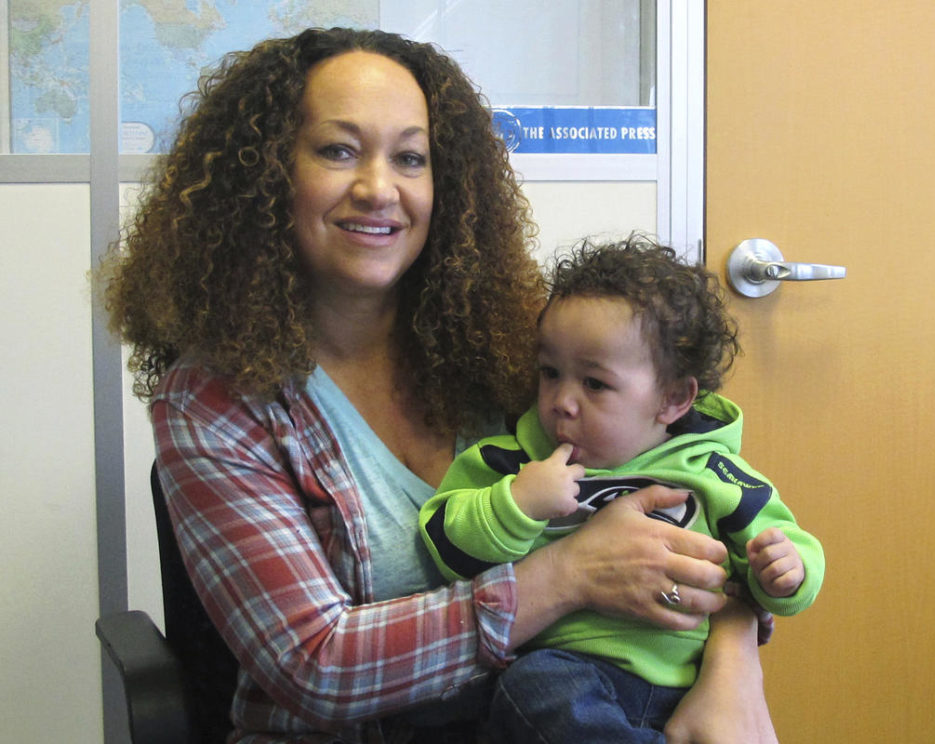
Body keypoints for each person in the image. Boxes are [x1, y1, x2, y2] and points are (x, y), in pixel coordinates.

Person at [103, 26, 777, 744]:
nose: (378, 188)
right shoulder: (213, 397)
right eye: (337, 150)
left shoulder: (519, 352)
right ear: (267, 175)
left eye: (410, 158)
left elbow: (693, 489)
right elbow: (314, 666)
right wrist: (568, 575)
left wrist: (734, 656)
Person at [420, 236, 825, 743]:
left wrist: (786, 573)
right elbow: (443, 542)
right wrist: (515, 506)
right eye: (550, 374)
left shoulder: (714, 470)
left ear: (672, 399)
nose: (562, 402)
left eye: (594, 384)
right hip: (571, 675)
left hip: (688, 683)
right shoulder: (513, 462)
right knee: (530, 689)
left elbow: (786, 550)